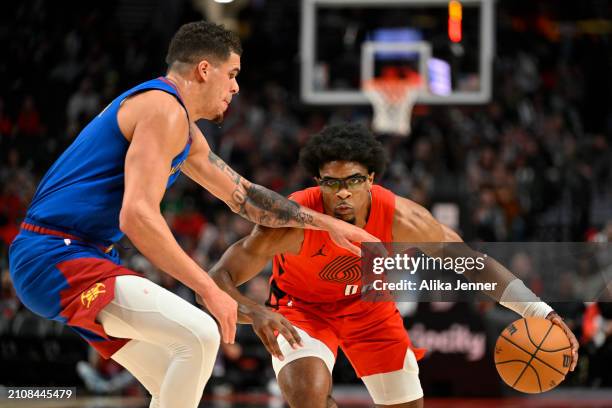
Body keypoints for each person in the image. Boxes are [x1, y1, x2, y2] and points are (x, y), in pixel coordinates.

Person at [7, 22, 378, 408]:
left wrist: (328, 223)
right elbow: (135, 216)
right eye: (232, 74)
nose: (235, 87)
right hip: (55, 254)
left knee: (173, 370)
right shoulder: (162, 109)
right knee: (200, 333)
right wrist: (208, 288)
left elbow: (246, 198)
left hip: (77, 254)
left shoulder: (183, 130)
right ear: (204, 70)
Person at [209, 123, 579, 408]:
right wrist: (255, 311)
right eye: (331, 182)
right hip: (301, 311)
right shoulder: (291, 222)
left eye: (353, 181)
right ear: (317, 182)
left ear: (371, 179)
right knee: (308, 395)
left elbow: (473, 265)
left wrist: (538, 311)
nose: (342, 192)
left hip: (370, 310)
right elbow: (218, 277)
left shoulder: (404, 218)